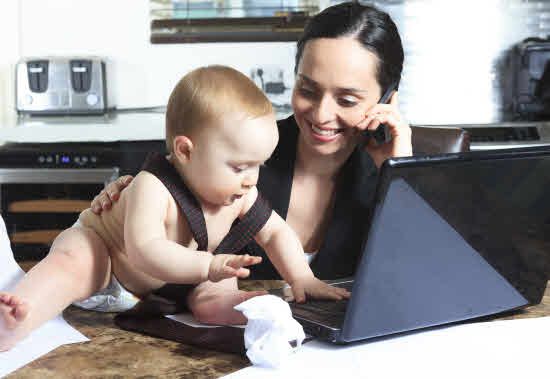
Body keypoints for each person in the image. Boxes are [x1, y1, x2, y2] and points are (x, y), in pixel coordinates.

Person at [91, 1, 412, 325]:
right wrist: (127, 198)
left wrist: (400, 180)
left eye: (346, 100)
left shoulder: (382, 174)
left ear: (386, 99)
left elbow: (409, 288)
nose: (321, 114)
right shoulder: (241, 154)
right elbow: (160, 209)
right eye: (308, 89)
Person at [0, 66, 348, 352]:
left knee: (218, 289)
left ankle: (243, 310)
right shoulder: (153, 186)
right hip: (109, 267)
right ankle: (17, 319)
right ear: (185, 151)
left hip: (171, 289)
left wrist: (301, 277)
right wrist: (209, 264)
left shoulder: (241, 193)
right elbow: (145, 249)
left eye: (258, 166)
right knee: (74, 261)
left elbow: (275, 231)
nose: (250, 180)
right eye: (239, 167)